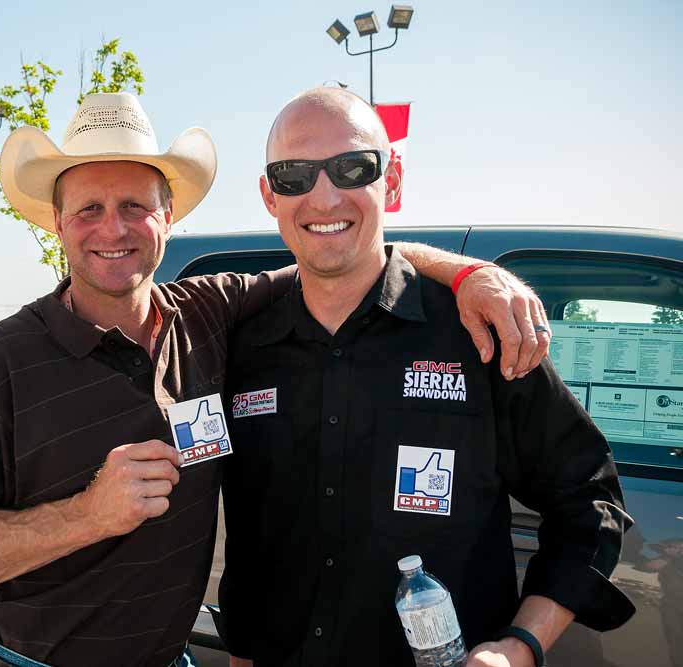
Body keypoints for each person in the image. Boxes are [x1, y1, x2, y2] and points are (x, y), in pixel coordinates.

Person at [0, 92, 551, 667]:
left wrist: (469, 274)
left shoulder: (208, 312)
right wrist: (86, 515)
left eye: (135, 205)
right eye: (88, 209)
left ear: (168, 215)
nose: (113, 228)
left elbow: (342, 252)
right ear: (57, 222)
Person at [217, 87, 635, 667]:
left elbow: (588, 502)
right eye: (294, 175)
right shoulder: (241, 348)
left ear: (390, 181)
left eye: (352, 168)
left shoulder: (478, 333)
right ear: (269, 195)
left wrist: (520, 647)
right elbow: (247, 542)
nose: (324, 195)